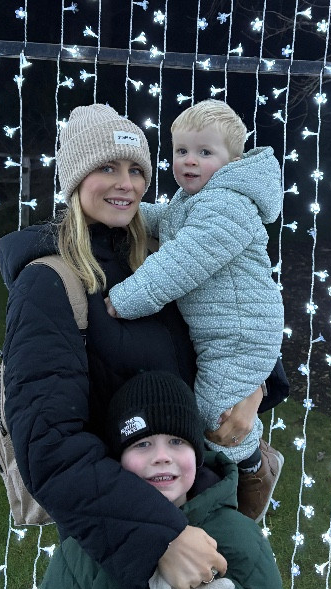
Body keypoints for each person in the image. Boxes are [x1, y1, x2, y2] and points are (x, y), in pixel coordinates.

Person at [0, 103, 283, 589]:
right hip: (123, 553)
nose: (125, 184)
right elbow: (49, 446)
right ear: (74, 178)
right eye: (107, 167)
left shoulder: (157, 256)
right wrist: (161, 538)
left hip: (205, 522)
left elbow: (234, 322)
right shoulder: (49, 283)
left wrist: (253, 395)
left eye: (136, 170)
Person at [105, 99, 285, 521]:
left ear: (232, 162)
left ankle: (252, 474)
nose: (189, 161)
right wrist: (125, 210)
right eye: (182, 150)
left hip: (241, 333)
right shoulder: (194, 201)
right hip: (222, 328)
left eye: (205, 152)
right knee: (210, 411)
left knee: (216, 415)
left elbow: (182, 262)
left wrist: (125, 299)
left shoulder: (228, 205)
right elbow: (163, 220)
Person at [31, 370, 296, 589]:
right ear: (118, 461)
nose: (161, 457)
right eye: (142, 443)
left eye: (176, 441)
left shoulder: (241, 537)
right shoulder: (83, 554)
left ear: (197, 453)